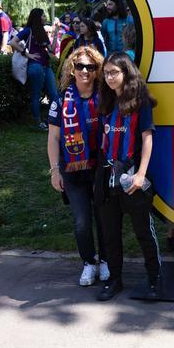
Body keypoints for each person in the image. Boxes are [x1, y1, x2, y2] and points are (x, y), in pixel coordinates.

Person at [95, 52, 161, 302]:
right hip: (107, 176)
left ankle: (154, 279)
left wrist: (140, 174)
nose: (110, 77)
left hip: (132, 175)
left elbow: (147, 138)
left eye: (115, 72)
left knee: (143, 231)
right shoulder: (105, 101)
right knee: (110, 233)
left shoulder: (140, 102)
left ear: (126, 73)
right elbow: (104, 137)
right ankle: (115, 280)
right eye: (107, 73)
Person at [47, 46, 109, 286]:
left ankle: (105, 260)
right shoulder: (61, 100)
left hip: (99, 166)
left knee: (103, 217)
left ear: (97, 70)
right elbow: (53, 137)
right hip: (72, 169)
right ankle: (88, 262)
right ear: (72, 69)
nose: (85, 71)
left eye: (91, 67)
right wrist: (54, 170)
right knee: (82, 221)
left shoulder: (105, 97)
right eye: (80, 66)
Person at [8, 8, 59, 130]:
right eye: (43, 16)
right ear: (37, 17)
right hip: (35, 66)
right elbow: (13, 42)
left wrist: (55, 34)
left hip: (46, 66)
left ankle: (52, 120)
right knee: (36, 94)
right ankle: (38, 123)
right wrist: (27, 54)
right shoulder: (28, 30)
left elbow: (51, 50)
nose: (45, 18)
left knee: (54, 95)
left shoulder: (41, 31)